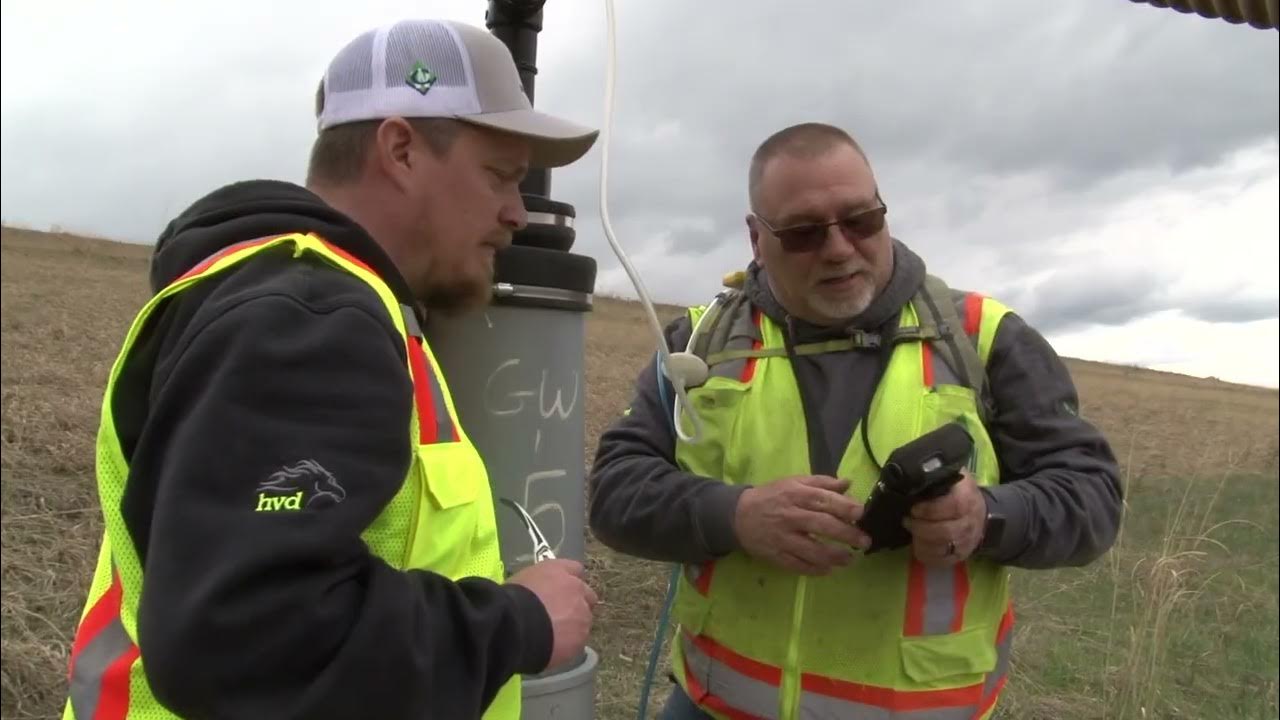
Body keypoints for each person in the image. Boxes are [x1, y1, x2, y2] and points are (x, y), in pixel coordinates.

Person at [62, 19, 600, 720]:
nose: (515, 213)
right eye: (499, 174)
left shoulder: (334, 306)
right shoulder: (309, 322)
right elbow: (246, 638)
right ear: (401, 149)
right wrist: (519, 620)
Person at [587, 122, 1124, 720]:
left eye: (861, 219)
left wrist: (988, 517)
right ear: (755, 238)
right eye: (804, 232)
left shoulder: (984, 337)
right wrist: (734, 515)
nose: (839, 247)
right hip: (716, 707)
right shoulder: (700, 344)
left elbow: (1092, 498)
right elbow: (615, 492)